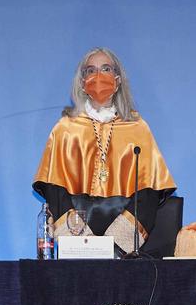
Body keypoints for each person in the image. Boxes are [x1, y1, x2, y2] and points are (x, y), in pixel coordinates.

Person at [33, 47, 176, 256]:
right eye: (90, 70)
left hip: (125, 252)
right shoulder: (65, 129)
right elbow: (55, 191)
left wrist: (117, 247)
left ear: (117, 80)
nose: (98, 76)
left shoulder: (138, 128)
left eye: (106, 69)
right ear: (82, 83)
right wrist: (82, 243)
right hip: (77, 243)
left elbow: (149, 192)